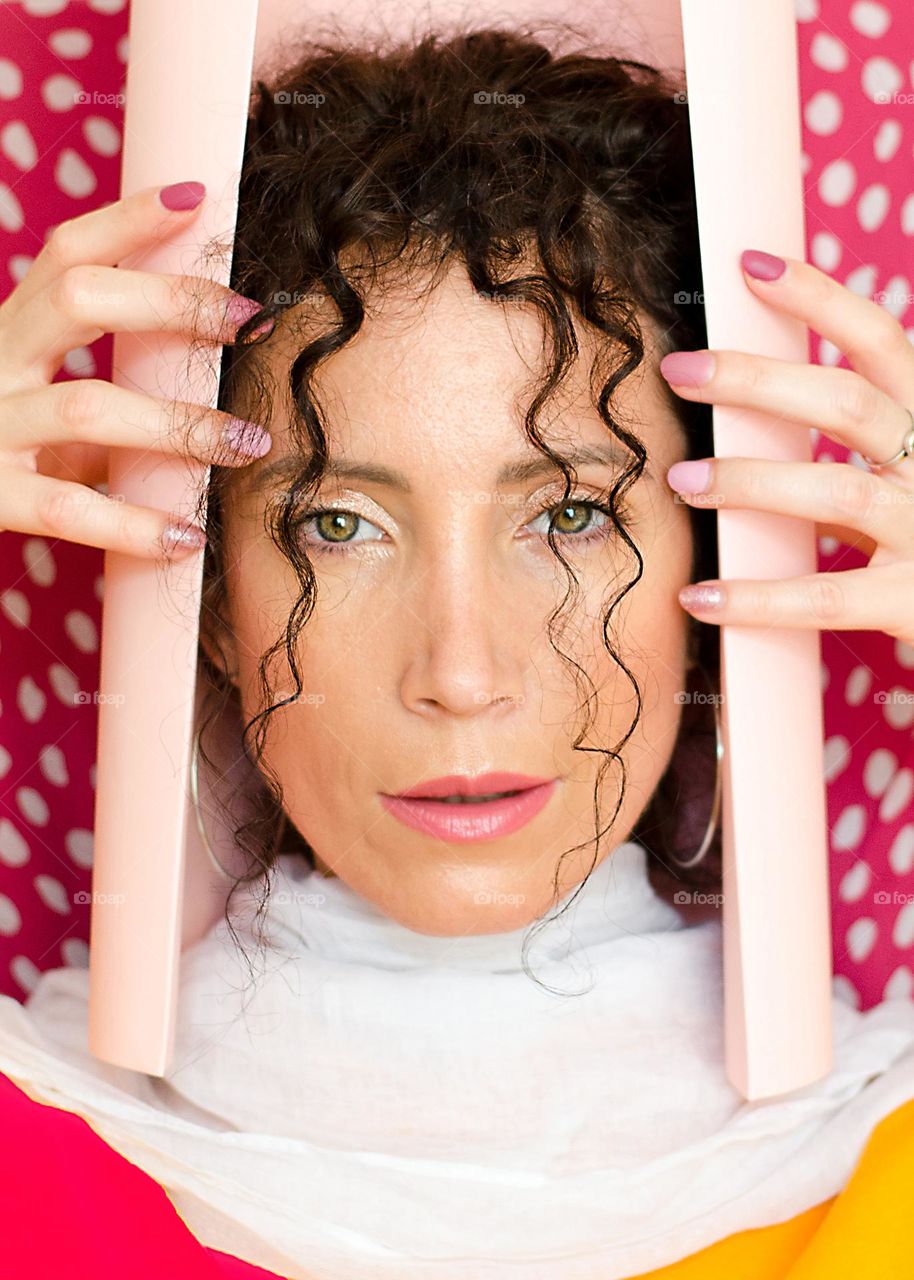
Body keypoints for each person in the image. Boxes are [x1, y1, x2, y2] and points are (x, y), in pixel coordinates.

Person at [1, 24, 914, 1280]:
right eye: (337, 523)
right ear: (211, 603)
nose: (462, 672)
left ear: (717, 553)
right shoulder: (30, 1158)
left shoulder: (890, 1168)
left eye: (569, 514)